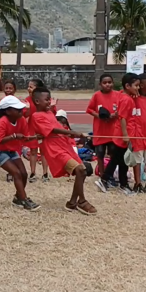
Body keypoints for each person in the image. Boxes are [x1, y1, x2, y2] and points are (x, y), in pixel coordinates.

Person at [31, 87, 97, 215]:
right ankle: (82, 201)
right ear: (37, 101)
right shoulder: (36, 116)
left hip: (64, 145)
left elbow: (57, 126)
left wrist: (69, 135)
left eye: (49, 99)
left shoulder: (49, 113)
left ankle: (72, 202)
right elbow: (52, 130)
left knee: (82, 171)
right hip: (54, 149)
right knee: (80, 170)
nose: (49, 102)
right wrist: (71, 132)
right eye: (46, 100)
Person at [95, 73, 140, 195]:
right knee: (117, 159)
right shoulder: (126, 99)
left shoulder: (123, 96)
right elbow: (123, 118)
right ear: (127, 86)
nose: (138, 88)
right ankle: (105, 180)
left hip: (122, 134)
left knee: (121, 160)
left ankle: (122, 184)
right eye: (136, 86)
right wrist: (125, 135)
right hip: (122, 135)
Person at [0, 95, 40, 211]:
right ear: (8, 111)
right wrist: (14, 136)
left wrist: (35, 137)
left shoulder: (22, 120)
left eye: (21, 109)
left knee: (23, 173)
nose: (21, 111)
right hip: (0, 151)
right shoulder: (2, 122)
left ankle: (18, 197)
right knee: (16, 173)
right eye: (17, 110)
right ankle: (24, 199)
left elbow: (24, 137)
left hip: (12, 150)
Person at [86, 74, 119, 178]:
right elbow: (89, 109)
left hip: (113, 130)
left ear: (113, 83)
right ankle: (101, 173)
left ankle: (110, 173)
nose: (107, 84)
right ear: (100, 84)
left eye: (109, 82)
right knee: (100, 153)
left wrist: (115, 114)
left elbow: (123, 107)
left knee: (113, 153)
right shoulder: (96, 95)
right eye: (105, 83)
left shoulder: (118, 95)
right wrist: (99, 116)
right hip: (100, 130)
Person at [25, 79, 56, 183]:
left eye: (31, 87)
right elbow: (25, 115)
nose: (29, 89)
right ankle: (33, 173)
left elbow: (52, 114)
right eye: (28, 86)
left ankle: (45, 173)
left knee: (44, 152)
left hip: (43, 130)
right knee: (33, 151)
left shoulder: (46, 99)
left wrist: (52, 106)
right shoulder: (28, 100)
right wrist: (27, 109)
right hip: (32, 129)